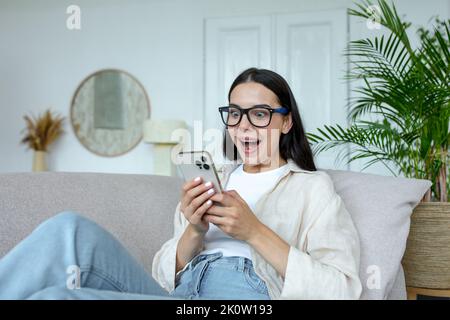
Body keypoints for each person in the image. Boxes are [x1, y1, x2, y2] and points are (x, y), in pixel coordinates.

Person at [0, 68, 362, 300]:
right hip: (181, 296)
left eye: (260, 114)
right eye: (234, 114)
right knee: (69, 230)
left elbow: (343, 290)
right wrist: (193, 230)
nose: (244, 126)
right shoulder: (212, 179)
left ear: (286, 123)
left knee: (57, 298)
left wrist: (254, 233)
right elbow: (162, 279)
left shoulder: (313, 189)